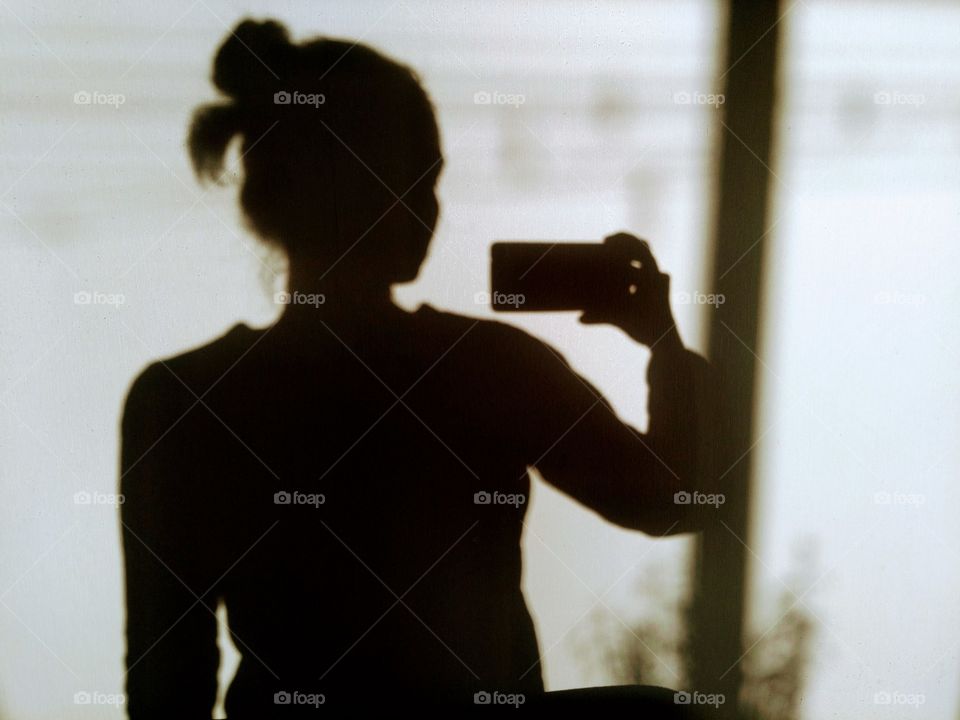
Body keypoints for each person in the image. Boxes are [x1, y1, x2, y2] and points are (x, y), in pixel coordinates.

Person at [119, 18, 718, 717]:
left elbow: (166, 685)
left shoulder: (180, 399)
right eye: (417, 180)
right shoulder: (488, 368)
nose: (430, 208)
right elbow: (673, 500)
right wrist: (663, 345)